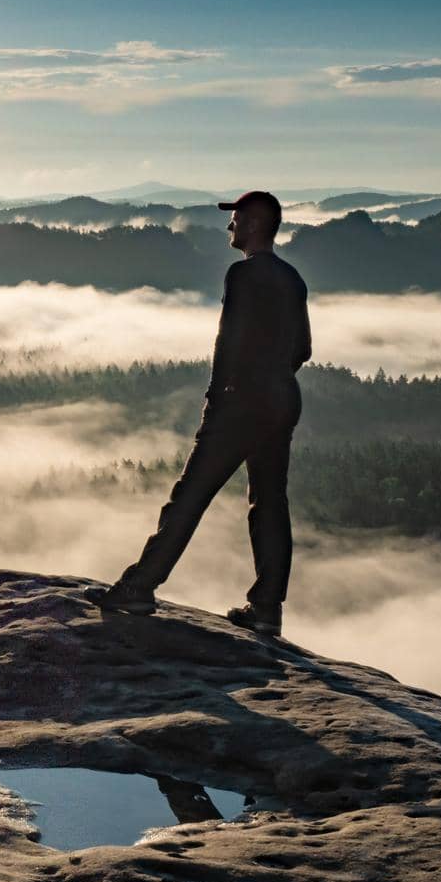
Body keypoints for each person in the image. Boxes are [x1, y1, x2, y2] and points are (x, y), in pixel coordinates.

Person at [87, 190, 312, 637]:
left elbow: (227, 342)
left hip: (240, 402)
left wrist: (218, 395)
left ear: (251, 225)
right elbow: (303, 349)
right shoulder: (293, 279)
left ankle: (140, 587)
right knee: (269, 502)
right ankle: (267, 609)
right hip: (283, 401)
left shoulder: (242, 275)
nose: (229, 227)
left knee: (189, 495)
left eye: (235, 220)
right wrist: (274, 379)